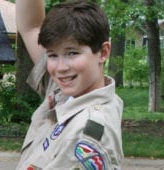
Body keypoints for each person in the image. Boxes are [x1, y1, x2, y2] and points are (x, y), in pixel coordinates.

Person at [15, 0, 124, 169]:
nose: (60, 68)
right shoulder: (69, 91)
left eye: (72, 53)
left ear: (103, 52)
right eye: (52, 55)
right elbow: (31, 27)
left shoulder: (84, 137)